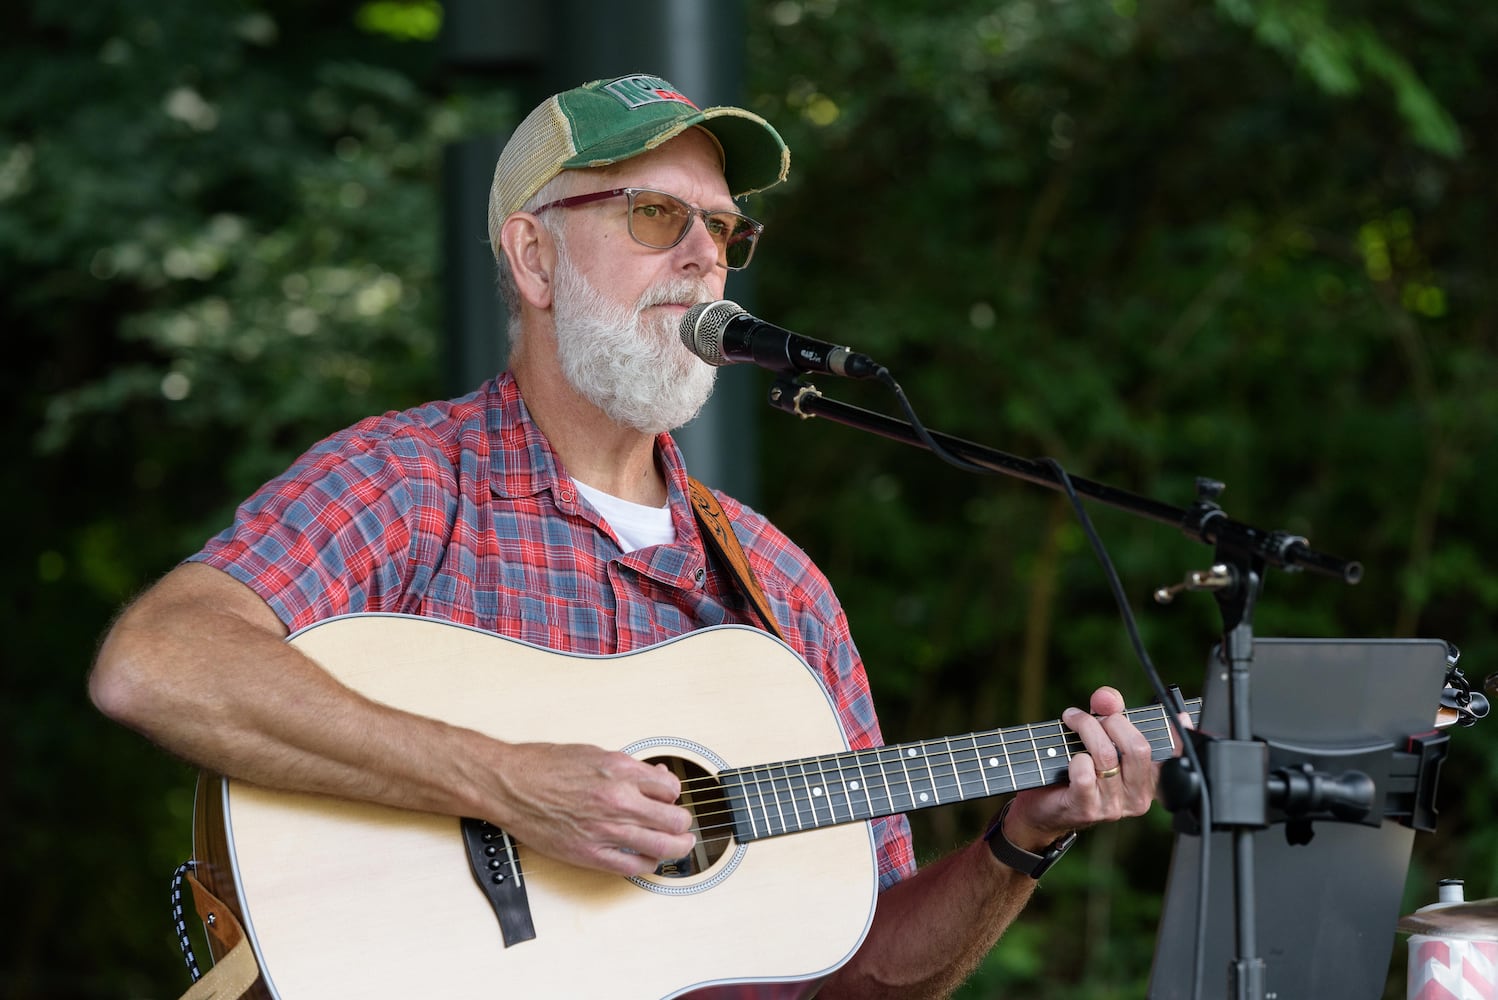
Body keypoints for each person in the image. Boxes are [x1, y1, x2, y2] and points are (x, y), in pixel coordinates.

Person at [89, 73, 1162, 998]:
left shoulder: (781, 587)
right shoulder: (409, 484)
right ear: (534, 258)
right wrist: (503, 780)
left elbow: (858, 971)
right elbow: (157, 665)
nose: (705, 257)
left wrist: (1023, 838)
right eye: (655, 215)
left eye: (724, 228)